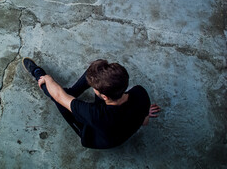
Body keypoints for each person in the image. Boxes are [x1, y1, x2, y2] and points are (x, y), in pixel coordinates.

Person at [22, 57, 160, 149]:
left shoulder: (94, 114)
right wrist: (144, 112)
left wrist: (48, 78)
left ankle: (36, 72)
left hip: (92, 136)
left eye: (95, 88)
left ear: (104, 96)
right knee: (98, 75)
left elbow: (59, 96)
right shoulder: (140, 93)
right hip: (114, 126)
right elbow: (145, 121)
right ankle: (73, 91)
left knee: (60, 100)